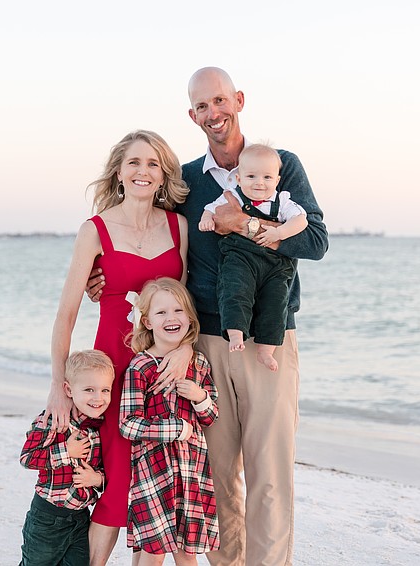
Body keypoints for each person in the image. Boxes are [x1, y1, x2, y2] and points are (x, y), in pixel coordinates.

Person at [86, 68, 328, 565]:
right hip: (202, 347)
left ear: (238, 100)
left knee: (270, 472)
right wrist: (107, 276)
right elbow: (151, 232)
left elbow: (316, 241)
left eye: (220, 100)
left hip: (268, 340)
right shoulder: (188, 181)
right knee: (214, 476)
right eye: (202, 106)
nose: (213, 113)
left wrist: (248, 225)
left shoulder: (282, 166)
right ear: (192, 115)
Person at [45, 130, 192, 566]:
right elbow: (66, 314)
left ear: (163, 174)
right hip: (110, 370)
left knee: (157, 491)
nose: (143, 171)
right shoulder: (95, 230)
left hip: (162, 371)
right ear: (119, 172)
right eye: (134, 163)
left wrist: (184, 350)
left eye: (152, 164)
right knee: (116, 483)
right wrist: (59, 384)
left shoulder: (178, 225)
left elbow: (183, 303)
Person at [119, 277, 219, 565]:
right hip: (153, 473)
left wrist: (199, 396)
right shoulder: (141, 366)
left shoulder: (198, 363)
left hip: (191, 472)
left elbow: (211, 416)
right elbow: (128, 424)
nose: (171, 318)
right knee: (153, 553)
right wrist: (174, 429)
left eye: (178, 311)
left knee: (188, 553)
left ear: (189, 317)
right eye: (161, 313)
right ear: (148, 322)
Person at [198, 143, 308, 371]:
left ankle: (266, 350)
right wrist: (206, 219)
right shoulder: (233, 197)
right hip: (241, 258)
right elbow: (212, 209)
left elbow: (302, 221)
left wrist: (280, 232)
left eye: (267, 177)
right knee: (234, 289)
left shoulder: (283, 201)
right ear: (238, 179)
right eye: (251, 176)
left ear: (277, 180)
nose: (260, 182)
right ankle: (236, 332)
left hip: (275, 265)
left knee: (276, 302)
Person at [19, 349, 115, 566]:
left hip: (80, 518)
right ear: (69, 390)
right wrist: (66, 451)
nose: (98, 398)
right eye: (89, 389)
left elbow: (102, 467)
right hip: (47, 517)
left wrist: (97, 479)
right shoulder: (53, 420)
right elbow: (27, 458)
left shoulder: (99, 427)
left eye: (105, 390)